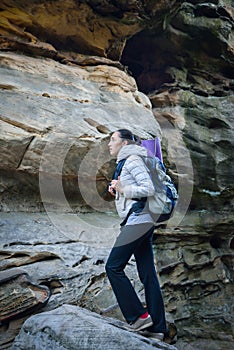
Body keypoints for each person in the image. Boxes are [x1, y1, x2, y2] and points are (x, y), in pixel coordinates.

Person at [105, 129, 168, 340]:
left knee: (113, 266)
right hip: (143, 219)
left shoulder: (132, 160)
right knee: (147, 272)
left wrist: (123, 189)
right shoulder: (128, 161)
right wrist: (118, 188)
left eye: (112, 140)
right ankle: (158, 328)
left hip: (139, 219)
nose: (109, 144)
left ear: (124, 143)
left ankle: (139, 317)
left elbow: (148, 189)